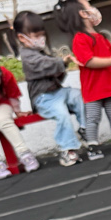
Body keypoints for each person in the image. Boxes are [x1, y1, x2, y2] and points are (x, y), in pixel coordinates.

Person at [54, 0, 111, 159]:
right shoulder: (80, 39)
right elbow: (88, 61)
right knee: (93, 118)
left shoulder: (101, 37)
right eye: (89, 6)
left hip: (110, 85)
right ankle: (92, 144)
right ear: (83, 13)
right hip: (93, 88)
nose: (93, 9)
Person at [14, 9, 85, 167]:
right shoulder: (28, 57)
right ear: (22, 38)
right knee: (62, 114)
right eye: (36, 36)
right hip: (43, 98)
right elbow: (47, 65)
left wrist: (61, 67)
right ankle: (67, 149)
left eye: (42, 34)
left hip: (58, 92)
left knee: (80, 96)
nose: (41, 39)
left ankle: (85, 129)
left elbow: (56, 74)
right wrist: (62, 63)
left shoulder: (40, 52)